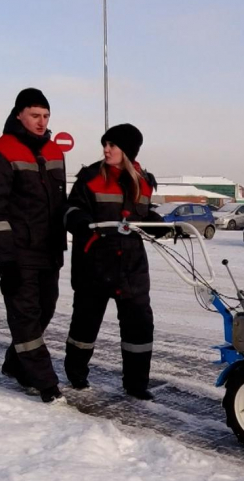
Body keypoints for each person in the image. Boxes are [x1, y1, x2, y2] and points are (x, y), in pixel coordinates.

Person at [63, 123, 163, 400]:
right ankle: (76, 374)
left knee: (139, 326)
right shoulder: (91, 177)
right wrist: (80, 222)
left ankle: (136, 384)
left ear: (127, 151)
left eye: (112, 145)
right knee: (85, 323)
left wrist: (157, 223)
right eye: (104, 145)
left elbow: (142, 215)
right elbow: (71, 209)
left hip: (131, 267)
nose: (106, 150)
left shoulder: (143, 180)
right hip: (94, 263)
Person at [0, 88, 67, 403]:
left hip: (50, 252)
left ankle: (14, 364)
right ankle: (47, 384)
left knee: (44, 312)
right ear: (19, 114)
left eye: (45, 116)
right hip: (19, 253)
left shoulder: (56, 152)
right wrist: (7, 260)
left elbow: (61, 204)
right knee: (26, 317)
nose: (41, 122)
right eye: (35, 115)